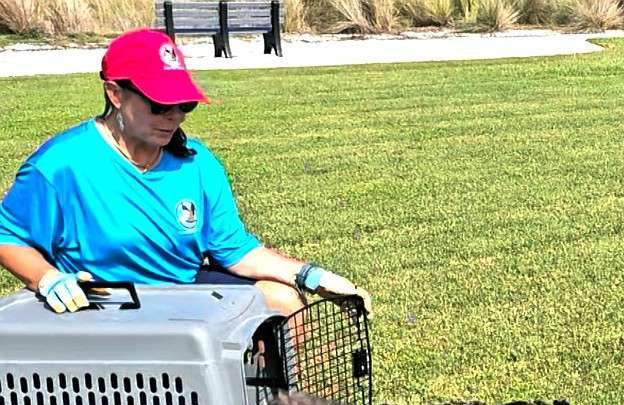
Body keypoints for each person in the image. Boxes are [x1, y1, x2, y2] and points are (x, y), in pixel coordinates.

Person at [0, 27, 371, 318]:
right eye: (161, 104)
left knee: (283, 301)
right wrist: (46, 277)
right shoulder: (61, 164)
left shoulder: (197, 162)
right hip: (105, 301)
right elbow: (8, 236)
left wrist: (312, 276)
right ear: (115, 94)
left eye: (184, 103)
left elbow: (234, 250)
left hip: (185, 296)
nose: (174, 116)